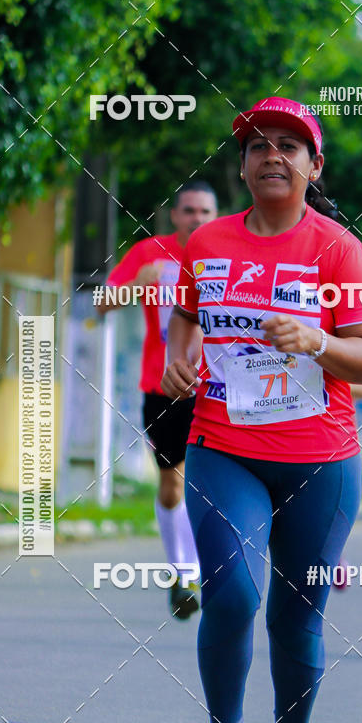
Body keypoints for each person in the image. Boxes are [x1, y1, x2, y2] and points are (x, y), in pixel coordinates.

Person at [162, 97, 362, 723]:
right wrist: (178, 350)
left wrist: (316, 341)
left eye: (291, 145)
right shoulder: (208, 243)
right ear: (241, 164)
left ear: (313, 166)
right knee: (232, 598)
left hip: (321, 462)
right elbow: (189, 309)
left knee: (299, 621)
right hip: (224, 447)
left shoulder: (337, 250)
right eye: (259, 144)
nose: (273, 155)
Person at [98, 181, 218, 619]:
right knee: (171, 486)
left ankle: (200, 573)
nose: (197, 219)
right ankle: (181, 572)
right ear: (174, 215)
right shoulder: (150, 253)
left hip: (218, 389)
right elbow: (101, 301)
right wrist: (135, 285)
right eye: (189, 211)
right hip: (162, 386)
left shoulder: (226, 254)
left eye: (205, 212)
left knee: (207, 484)